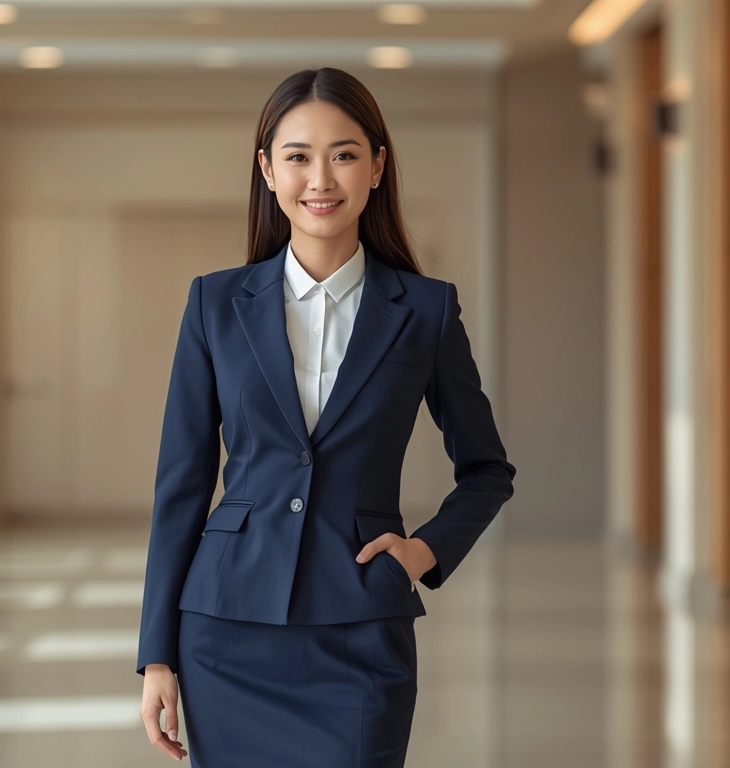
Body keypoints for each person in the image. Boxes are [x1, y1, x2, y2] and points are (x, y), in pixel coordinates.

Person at [135, 66, 516, 767]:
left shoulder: (424, 311)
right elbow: (181, 488)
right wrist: (156, 656)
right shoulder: (215, 305)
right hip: (225, 632)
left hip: (361, 626)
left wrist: (422, 553)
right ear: (267, 171)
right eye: (297, 157)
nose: (321, 180)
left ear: (376, 166)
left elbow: (488, 470)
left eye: (343, 155)